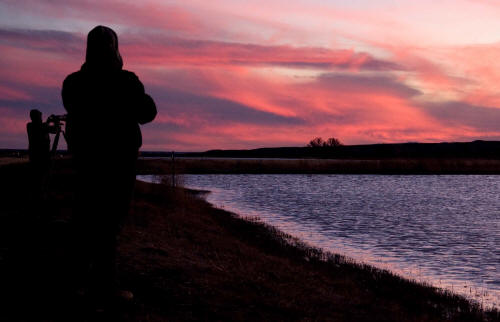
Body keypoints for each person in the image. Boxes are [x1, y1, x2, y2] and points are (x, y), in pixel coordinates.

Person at [61, 25, 157, 303]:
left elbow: (73, 107)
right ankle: (104, 287)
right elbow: (147, 112)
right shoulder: (127, 81)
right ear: (115, 49)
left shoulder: (73, 82)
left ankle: (76, 282)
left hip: (86, 162)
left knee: (83, 219)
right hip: (118, 163)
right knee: (109, 224)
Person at [26, 109, 52, 202]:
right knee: (41, 180)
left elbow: (43, 127)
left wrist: (48, 122)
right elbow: (52, 130)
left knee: (37, 180)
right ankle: (40, 200)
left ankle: (37, 199)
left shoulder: (30, 126)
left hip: (35, 158)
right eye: (40, 116)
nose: (41, 118)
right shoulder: (35, 126)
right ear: (37, 117)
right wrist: (54, 123)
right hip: (41, 159)